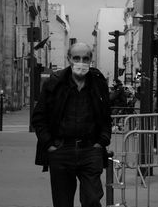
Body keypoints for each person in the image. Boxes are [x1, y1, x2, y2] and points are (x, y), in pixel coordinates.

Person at [32, 42, 112, 207]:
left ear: (91, 60)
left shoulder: (98, 83)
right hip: (62, 150)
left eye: (85, 58)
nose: (81, 62)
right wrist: (49, 144)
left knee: (92, 200)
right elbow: (39, 117)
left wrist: (101, 141)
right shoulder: (54, 83)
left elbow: (105, 116)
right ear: (69, 58)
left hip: (90, 150)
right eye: (76, 58)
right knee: (63, 202)